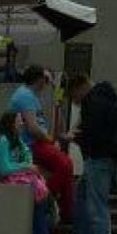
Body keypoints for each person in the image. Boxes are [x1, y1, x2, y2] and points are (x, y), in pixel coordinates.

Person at [0, 112, 61, 234]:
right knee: (35, 187)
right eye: (19, 121)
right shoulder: (1, 140)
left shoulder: (17, 140)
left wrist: (27, 164)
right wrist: (26, 167)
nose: (22, 124)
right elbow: (4, 169)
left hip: (14, 177)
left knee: (40, 187)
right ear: (11, 123)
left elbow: (26, 158)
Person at [67, 72, 117, 234]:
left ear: (80, 88)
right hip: (105, 159)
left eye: (75, 98)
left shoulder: (93, 101)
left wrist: (76, 136)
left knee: (97, 210)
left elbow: (94, 133)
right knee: (81, 195)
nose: (76, 103)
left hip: (97, 159)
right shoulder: (107, 95)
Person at [7, 64, 76, 224]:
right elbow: (33, 128)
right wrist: (50, 140)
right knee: (65, 164)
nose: (47, 84)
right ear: (39, 79)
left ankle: (66, 213)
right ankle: (46, 199)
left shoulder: (32, 97)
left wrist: (57, 96)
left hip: (39, 143)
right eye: (46, 80)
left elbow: (52, 127)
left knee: (65, 166)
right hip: (30, 144)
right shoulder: (24, 95)